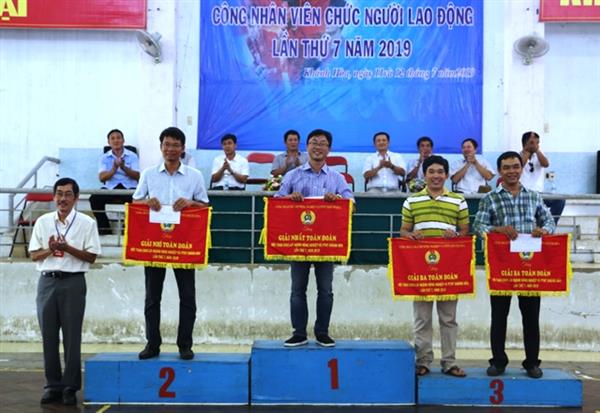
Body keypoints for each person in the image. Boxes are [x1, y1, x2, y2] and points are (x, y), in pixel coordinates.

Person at [473, 151, 555, 379]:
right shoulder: (490, 198)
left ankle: (532, 363)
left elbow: (549, 221)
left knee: (531, 317)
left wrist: (543, 230)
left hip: (530, 267)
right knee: (499, 316)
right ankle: (498, 362)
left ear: (521, 168)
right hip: (502, 266)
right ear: (500, 171)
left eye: (515, 167)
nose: (512, 171)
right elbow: (478, 226)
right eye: (506, 167)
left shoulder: (534, 196)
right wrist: (498, 229)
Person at [133, 127, 209, 361]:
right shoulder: (148, 174)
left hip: (184, 244)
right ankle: (152, 344)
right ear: (161, 147)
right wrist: (147, 202)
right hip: (154, 244)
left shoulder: (195, 176)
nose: (171, 149)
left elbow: (205, 205)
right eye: (167, 144)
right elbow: (135, 202)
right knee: (152, 297)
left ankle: (185, 345)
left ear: (183, 148)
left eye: (176, 145)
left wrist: (190, 203)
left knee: (187, 296)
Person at [275, 128, 354, 348]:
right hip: (299, 242)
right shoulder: (292, 175)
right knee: (297, 290)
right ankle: (299, 333)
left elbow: (351, 204)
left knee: (325, 290)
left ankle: (322, 333)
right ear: (307, 146)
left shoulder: (337, 178)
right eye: (313, 142)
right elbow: (276, 203)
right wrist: (289, 198)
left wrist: (337, 199)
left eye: (322, 143)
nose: (317, 147)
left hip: (326, 243)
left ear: (329, 148)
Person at [29, 177, 101, 406]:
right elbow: (34, 255)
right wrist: (50, 250)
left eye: (68, 194)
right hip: (47, 282)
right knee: (48, 336)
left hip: (73, 282)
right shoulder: (43, 222)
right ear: (54, 197)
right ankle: (52, 386)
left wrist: (67, 248)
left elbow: (91, 256)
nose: (63, 198)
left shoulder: (87, 223)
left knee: (72, 337)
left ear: (76, 198)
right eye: (59, 194)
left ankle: (70, 386)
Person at [400, 155, 469, 377]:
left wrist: (456, 235)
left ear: (447, 175)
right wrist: (411, 235)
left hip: (449, 270)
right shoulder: (411, 201)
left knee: (449, 319)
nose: (436, 176)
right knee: (422, 318)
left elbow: (465, 231)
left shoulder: (459, 200)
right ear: (425, 174)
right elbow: (403, 231)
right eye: (431, 172)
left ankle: (449, 362)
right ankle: (423, 361)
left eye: (440, 172)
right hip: (421, 270)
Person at [89, 129, 140, 235]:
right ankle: (105, 229)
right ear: (109, 142)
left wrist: (124, 167)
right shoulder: (104, 157)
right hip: (111, 188)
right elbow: (102, 178)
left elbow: (137, 176)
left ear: (123, 140)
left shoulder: (132, 156)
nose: (116, 140)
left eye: (118, 138)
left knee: (138, 199)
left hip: (128, 188)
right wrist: (114, 168)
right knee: (94, 199)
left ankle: (127, 229)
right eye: (112, 138)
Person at [520, 131, 565, 223]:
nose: (535, 145)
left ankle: (550, 225)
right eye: (532, 143)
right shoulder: (517, 156)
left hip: (539, 194)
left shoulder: (539, 155)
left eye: (537, 143)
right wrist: (527, 152)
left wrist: (537, 151)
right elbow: (520, 165)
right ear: (525, 143)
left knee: (559, 200)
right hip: (523, 194)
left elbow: (546, 164)